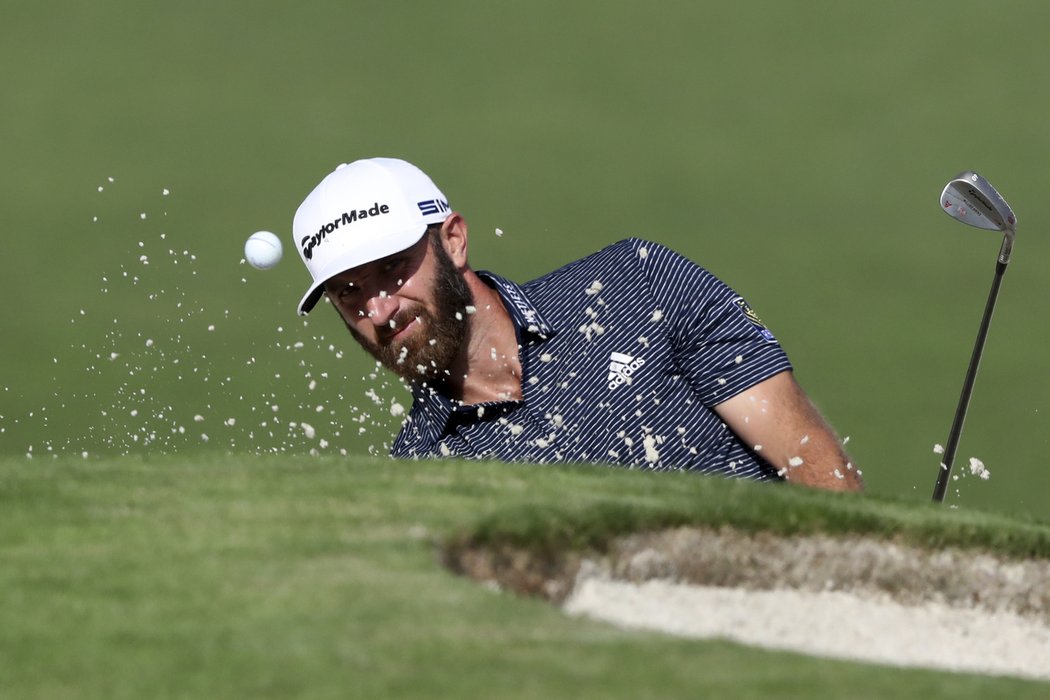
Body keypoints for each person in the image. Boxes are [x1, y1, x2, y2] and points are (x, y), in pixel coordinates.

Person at [291, 157, 862, 492]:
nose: (380, 311)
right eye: (349, 294)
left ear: (454, 241)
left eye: (392, 270)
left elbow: (814, 466)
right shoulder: (420, 475)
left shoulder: (635, 284)